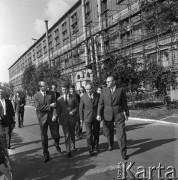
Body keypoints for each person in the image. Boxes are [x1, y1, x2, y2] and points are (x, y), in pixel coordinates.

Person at [97, 76, 129, 160]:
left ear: (114, 81)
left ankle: (123, 152)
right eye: (106, 82)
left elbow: (124, 102)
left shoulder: (120, 90)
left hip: (119, 114)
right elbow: (101, 103)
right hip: (107, 114)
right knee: (108, 132)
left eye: (108, 81)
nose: (106, 83)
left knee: (121, 133)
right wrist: (98, 114)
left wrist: (127, 112)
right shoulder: (104, 91)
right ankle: (110, 144)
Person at [33, 81, 61, 163]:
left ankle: (56, 143)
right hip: (42, 119)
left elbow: (55, 105)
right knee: (44, 137)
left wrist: (55, 115)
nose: (46, 86)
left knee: (56, 134)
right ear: (40, 87)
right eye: (44, 86)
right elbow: (38, 107)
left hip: (52, 117)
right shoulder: (36, 96)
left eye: (46, 85)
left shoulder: (51, 93)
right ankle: (46, 154)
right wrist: (49, 106)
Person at [56, 83, 79, 158]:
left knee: (72, 133)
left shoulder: (74, 97)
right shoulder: (59, 99)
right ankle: (68, 151)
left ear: (68, 89)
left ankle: (73, 146)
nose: (64, 91)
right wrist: (59, 120)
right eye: (63, 89)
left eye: (66, 89)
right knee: (67, 135)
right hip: (64, 119)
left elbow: (77, 106)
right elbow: (58, 111)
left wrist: (73, 111)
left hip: (72, 118)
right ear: (61, 90)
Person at [79, 83, 100, 156]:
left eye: (90, 89)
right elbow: (80, 109)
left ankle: (96, 146)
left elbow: (100, 106)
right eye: (87, 89)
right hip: (87, 118)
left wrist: (99, 114)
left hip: (96, 117)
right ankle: (90, 149)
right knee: (89, 134)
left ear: (93, 88)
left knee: (96, 133)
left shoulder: (98, 95)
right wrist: (81, 119)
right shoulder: (83, 97)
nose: (89, 91)